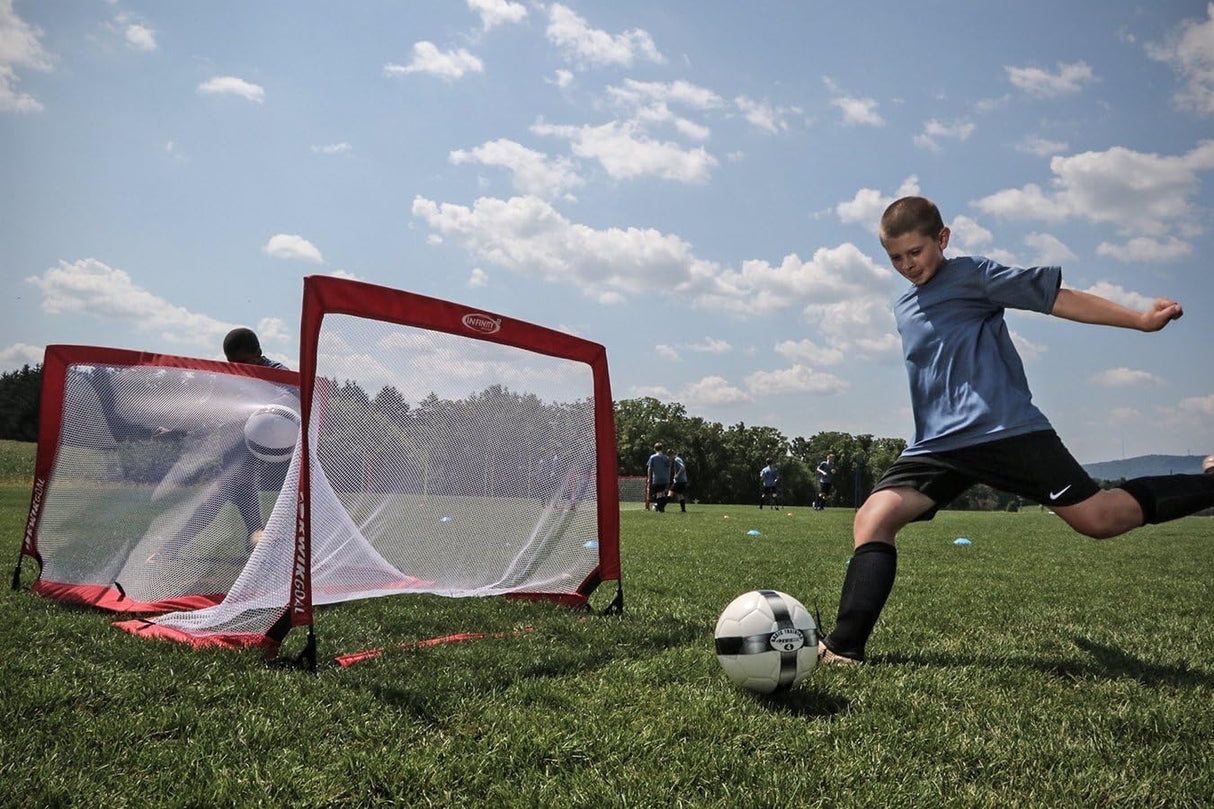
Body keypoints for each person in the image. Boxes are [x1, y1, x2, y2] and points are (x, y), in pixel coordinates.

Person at [818, 195, 1214, 666]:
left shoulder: (973, 276)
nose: (907, 265)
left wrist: (1140, 321)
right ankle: (843, 648)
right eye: (895, 258)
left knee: (1100, 521)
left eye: (916, 252)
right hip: (938, 445)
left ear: (942, 239)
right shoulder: (904, 303)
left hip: (1005, 431)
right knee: (873, 519)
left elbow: (1057, 299)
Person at [149, 328, 293, 561]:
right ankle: (256, 537)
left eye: (245, 362)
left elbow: (290, 397)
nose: (240, 370)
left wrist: (273, 403)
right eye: (233, 364)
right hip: (236, 448)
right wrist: (174, 431)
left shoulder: (278, 372)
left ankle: (171, 548)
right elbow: (207, 409)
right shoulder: (230, 376)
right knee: (239, 493)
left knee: (214, 499)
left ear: (259, 353)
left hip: (270, 448)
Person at [646, 442, 672, 512]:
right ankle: (661, 507)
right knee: (662, 493)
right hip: (665, 477)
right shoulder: (666, 458)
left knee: (658, 493)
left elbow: (649, 468)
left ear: (654, 449)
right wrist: (668, 477)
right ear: (662, 449)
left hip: (657, 478)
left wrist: (649, 478)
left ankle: (660, 508)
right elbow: (669, 468)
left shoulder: (652, 457)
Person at [668, 448, 689, 512]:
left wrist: (677, 475)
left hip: (680, 480)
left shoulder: (677, 459)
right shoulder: (674, 460)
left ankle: (661, 507)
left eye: (669, 456)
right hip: (681, 480)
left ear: (672, 454)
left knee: (670, 493)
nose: (669, 458)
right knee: (679, 494)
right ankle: (683, 510)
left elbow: (682, 467)